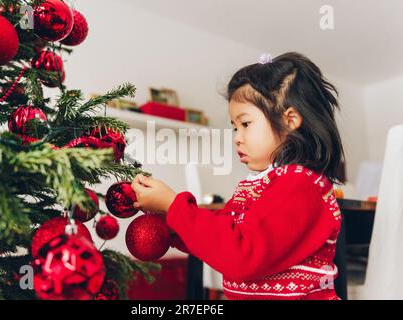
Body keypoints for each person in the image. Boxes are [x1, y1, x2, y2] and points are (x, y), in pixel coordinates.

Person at [131, 52, 344, 300]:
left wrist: (173, 205)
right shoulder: (261, 185)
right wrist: (170, 223)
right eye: (234, 127)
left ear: (290, 120)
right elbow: (222, 238)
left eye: (245, 124)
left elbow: (241, 254)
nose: (237, 137)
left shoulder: (301, 184)